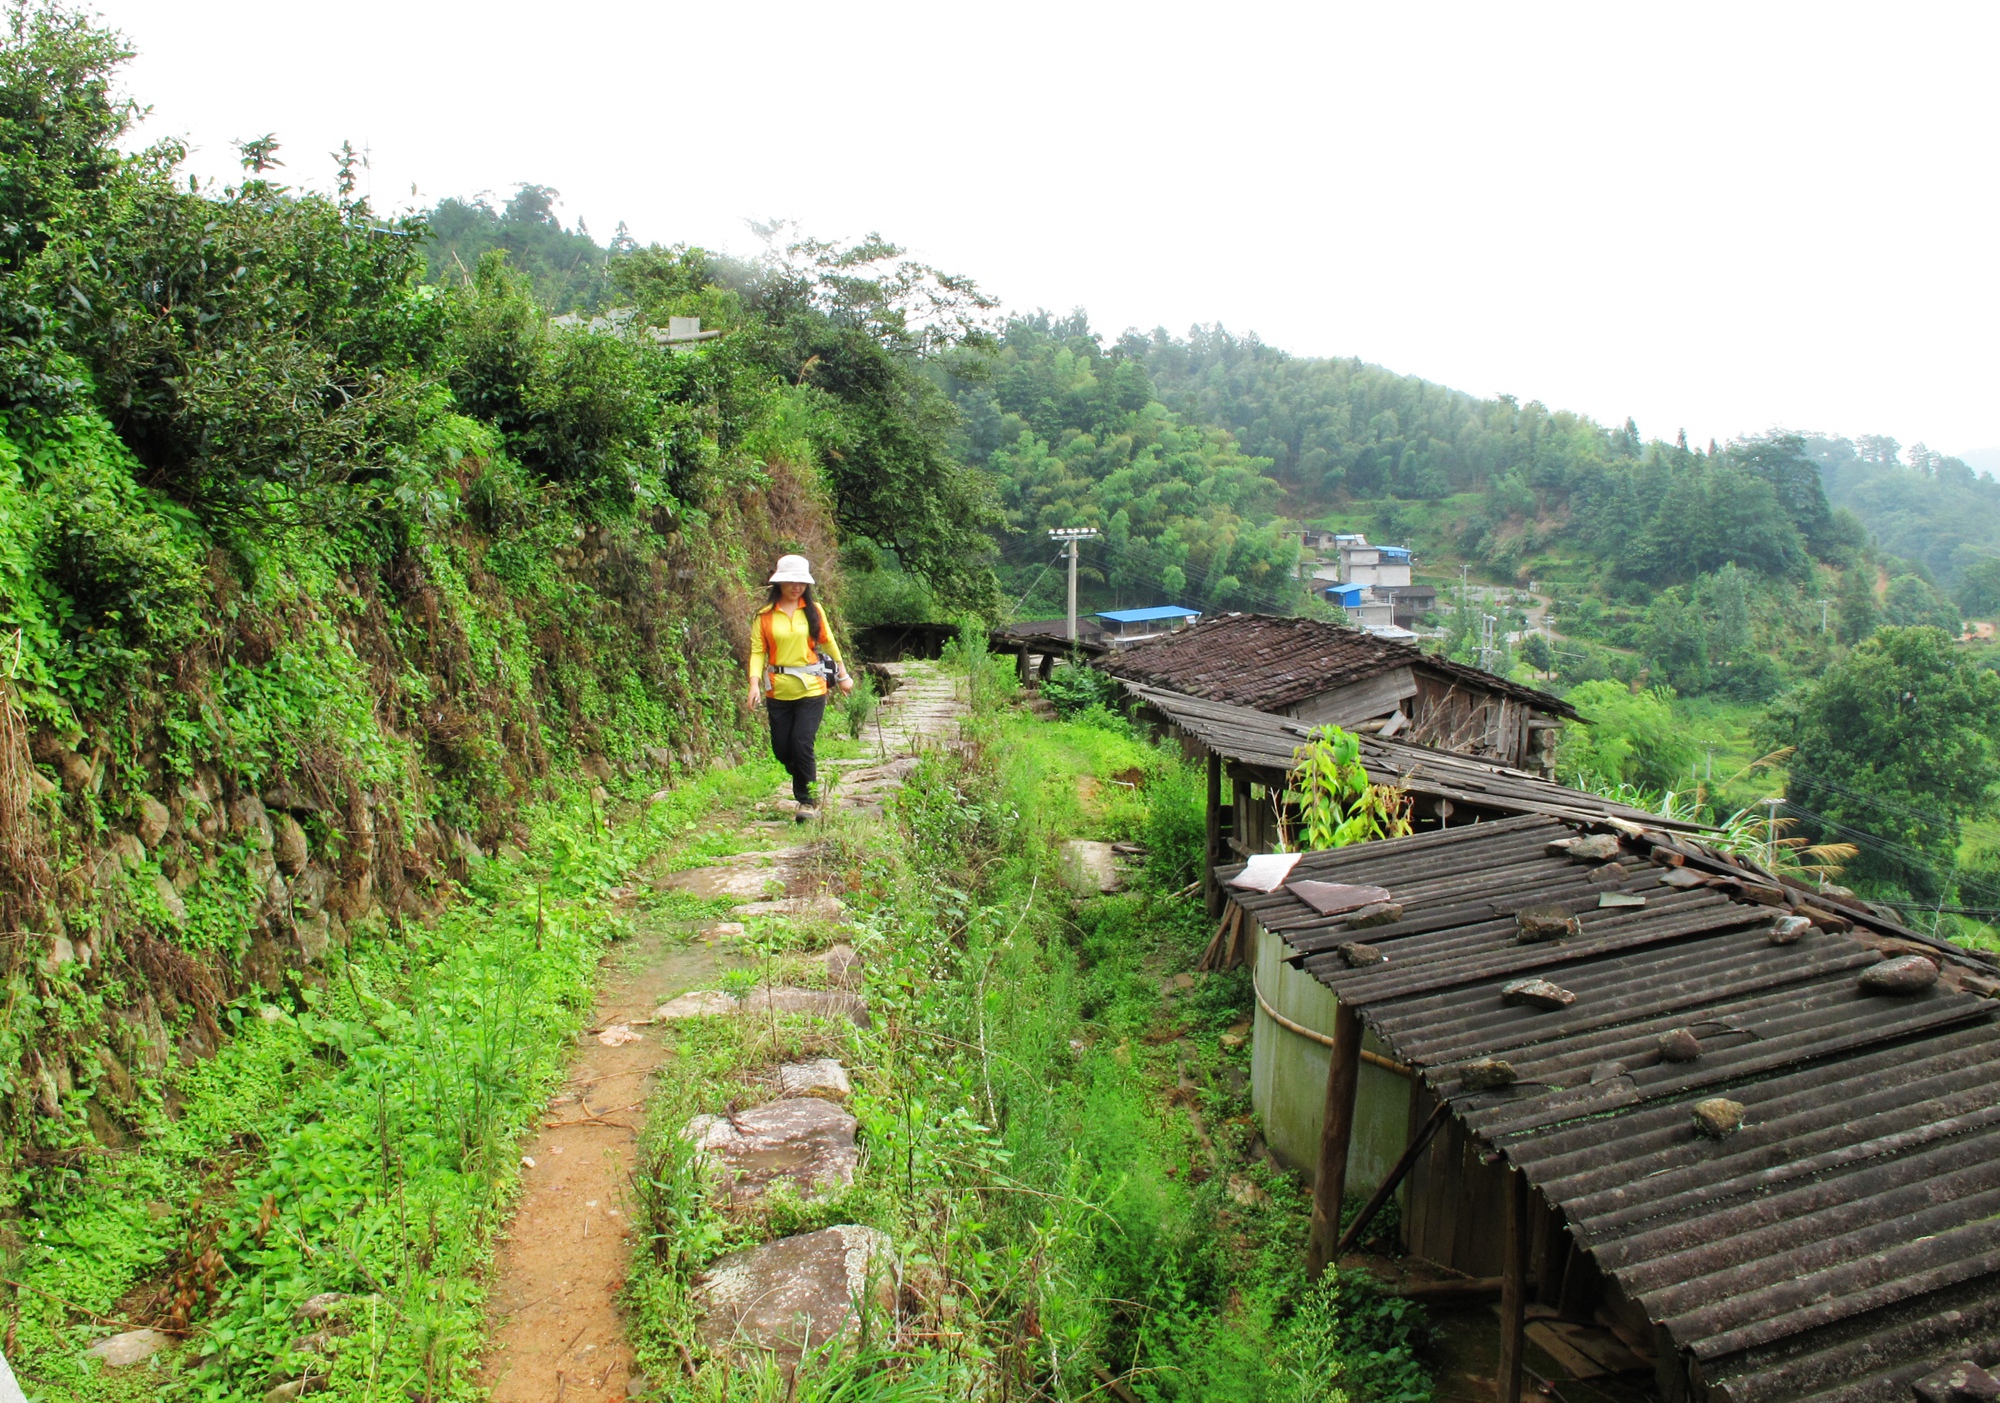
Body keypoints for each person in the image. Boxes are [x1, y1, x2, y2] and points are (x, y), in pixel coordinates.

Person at [746, 555, 853, 820]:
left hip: (812, 688)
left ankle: (807, 802)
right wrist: (754, 683)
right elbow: (758, 652)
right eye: (791, 581)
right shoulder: (765, 616)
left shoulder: (814, 610)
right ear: (780, 583)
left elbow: (828, 643)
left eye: (801, 582)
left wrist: (843, 674)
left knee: (801, 742)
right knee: (782, 749)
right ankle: (807, 778)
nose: (796, 586)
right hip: (778, 690)